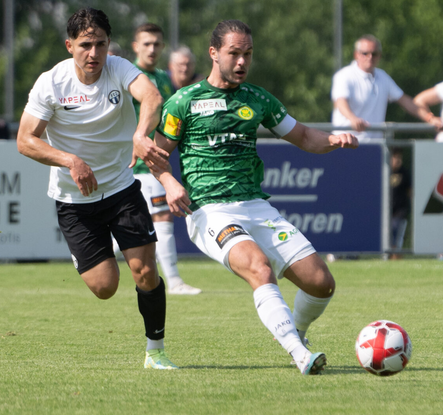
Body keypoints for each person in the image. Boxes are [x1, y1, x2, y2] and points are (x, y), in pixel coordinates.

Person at [151, 20, 359, 375]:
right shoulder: (184, 101)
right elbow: (156, 155)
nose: (242, 62)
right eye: (234, 54)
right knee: (260, 269)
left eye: (247, 54)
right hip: (209, 212)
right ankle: (299, 354)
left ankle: (298, 333)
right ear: (214, 54)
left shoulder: (258, 99)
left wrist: (334, 140)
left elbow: (305, 137)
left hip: (256, 207)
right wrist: (170, 182)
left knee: (321, 284)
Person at [16, 8, 179, 370]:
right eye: (86, 45)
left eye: (101, 44)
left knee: (146, 273)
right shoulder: (51, 83)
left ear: (109, 45)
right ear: (69, 45)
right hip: (74, 201)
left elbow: (152, 97)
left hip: (121, 189)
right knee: (105, 286)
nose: (94, 54)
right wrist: (71, 161)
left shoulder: (118, 68)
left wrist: (140, 134)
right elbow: (25, 141)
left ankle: (156, 352)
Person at [127, 23, 201, 295]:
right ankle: (174, 282)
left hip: (153, 161)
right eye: (146, 43)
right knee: (161, 219)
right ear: (136, 46)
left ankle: (173, 281)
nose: (152, 49)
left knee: (154, 220)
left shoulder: (163, 78)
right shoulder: (127, 76)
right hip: (136, 163)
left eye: (157, 44)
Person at [331, 35, 442, 142]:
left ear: (379, 55)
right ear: (356, 54)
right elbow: (340, 103)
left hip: (374, 146)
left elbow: (406, 101)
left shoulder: (383, 77)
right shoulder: (344, 75)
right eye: (365, 53)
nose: (370, 57)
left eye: (374, 54)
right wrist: (353, 119)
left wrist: (430, 118)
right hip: (346, 143)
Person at [388, 148, 411, 259]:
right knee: (388, 236)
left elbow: (410, 191)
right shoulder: (384, 171)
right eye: (395, 157)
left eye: (399, 157)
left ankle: (397, 256)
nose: (398, 160)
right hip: (387, 211)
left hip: (400, 211)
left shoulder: (404, 173)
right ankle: (388, 256)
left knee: (397, 236)